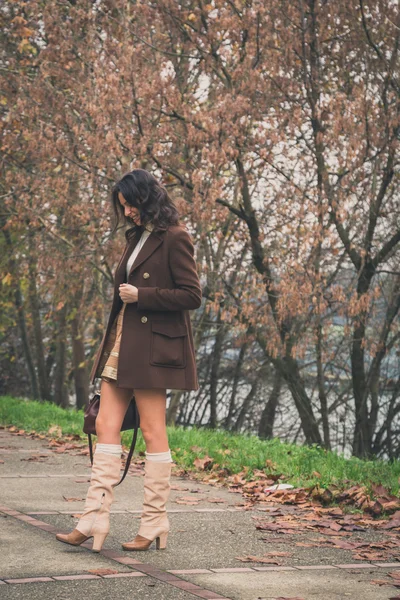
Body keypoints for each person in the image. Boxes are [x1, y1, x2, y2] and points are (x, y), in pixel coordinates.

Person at [56, 168, 202, 552]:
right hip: (122, 344)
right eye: (123, 206)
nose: (128, 212)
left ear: (148, 198)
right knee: (104, 423)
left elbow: (191, 295)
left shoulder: (175, 237)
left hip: (154, 351)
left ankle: (154, 522)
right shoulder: (135, 237)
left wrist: (144, 295)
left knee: (154, 432)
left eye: (131, 204)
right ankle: (93, 518)